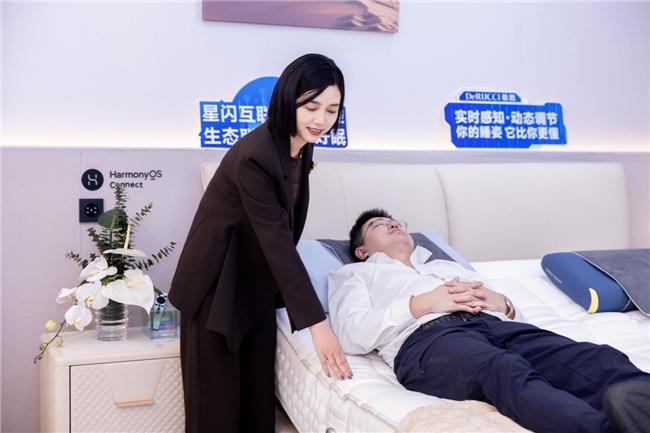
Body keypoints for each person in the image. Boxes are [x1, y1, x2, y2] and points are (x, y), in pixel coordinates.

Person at [328, 208, 650, 433]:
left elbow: (514, 315)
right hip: (429, 340)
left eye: (395, 220)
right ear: (362, 251)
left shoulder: (446, 267)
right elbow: (352, 333)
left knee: (594, 357)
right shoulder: (354, 274)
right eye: (378, 224)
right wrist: (422, 304)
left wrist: (503, 304)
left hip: (496, 325)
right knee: (504, 368)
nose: (392, 223)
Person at [168, 54, 352, 433]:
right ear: (288, 100)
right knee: (215, 416)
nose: (321, 119)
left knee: (257, 411)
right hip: (215, 289)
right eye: (311, 107)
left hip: (256, 288)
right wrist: (318, 326)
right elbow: (278, 241)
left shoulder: (301, 144)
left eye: (332, 110)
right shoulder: (256, 155)